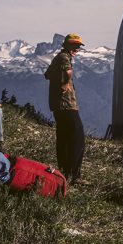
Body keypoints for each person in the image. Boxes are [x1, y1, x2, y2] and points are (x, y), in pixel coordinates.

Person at [44, 33, 86, 185]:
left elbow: (47, 75)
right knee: (77, 137)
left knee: (63, 138)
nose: (76, 49)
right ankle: (74, 175)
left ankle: (64, 171)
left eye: (78, 46)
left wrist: (58, 81)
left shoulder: (58, 57)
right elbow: (68, 71)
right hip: (66, 104)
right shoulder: (64, 58)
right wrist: (65, 83)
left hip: (58, 105)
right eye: (74, 46)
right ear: (67, 46)